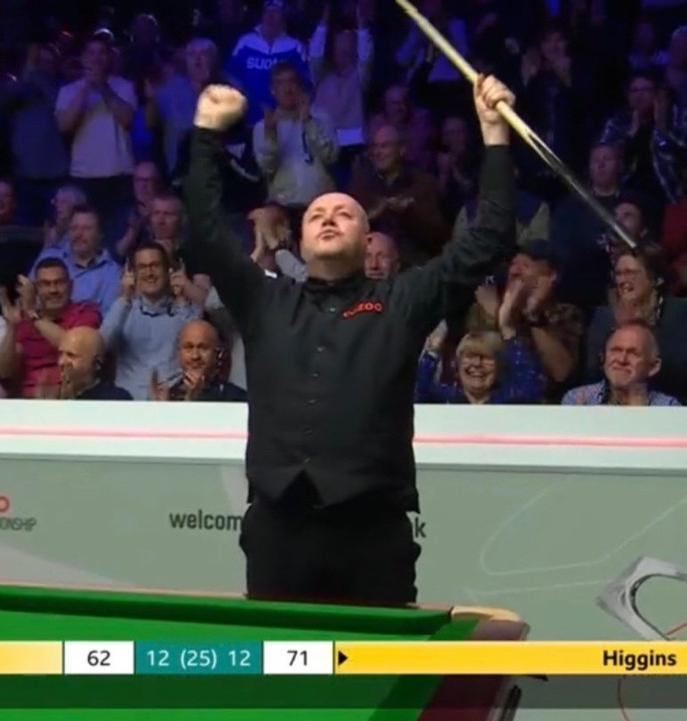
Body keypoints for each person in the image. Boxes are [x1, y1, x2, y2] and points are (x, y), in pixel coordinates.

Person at [183, 75, 516, 606]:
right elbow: (204, 229)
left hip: (372, 534)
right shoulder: (266, 299)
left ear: (367, 238)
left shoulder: (401, 300)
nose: (328, 218)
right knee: (285, 661)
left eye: (344, 213)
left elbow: (490, 236)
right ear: (300, 241)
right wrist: (205, 133)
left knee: (375, 660)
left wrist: (494, 134)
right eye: (316, 214)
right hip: (278, 530)